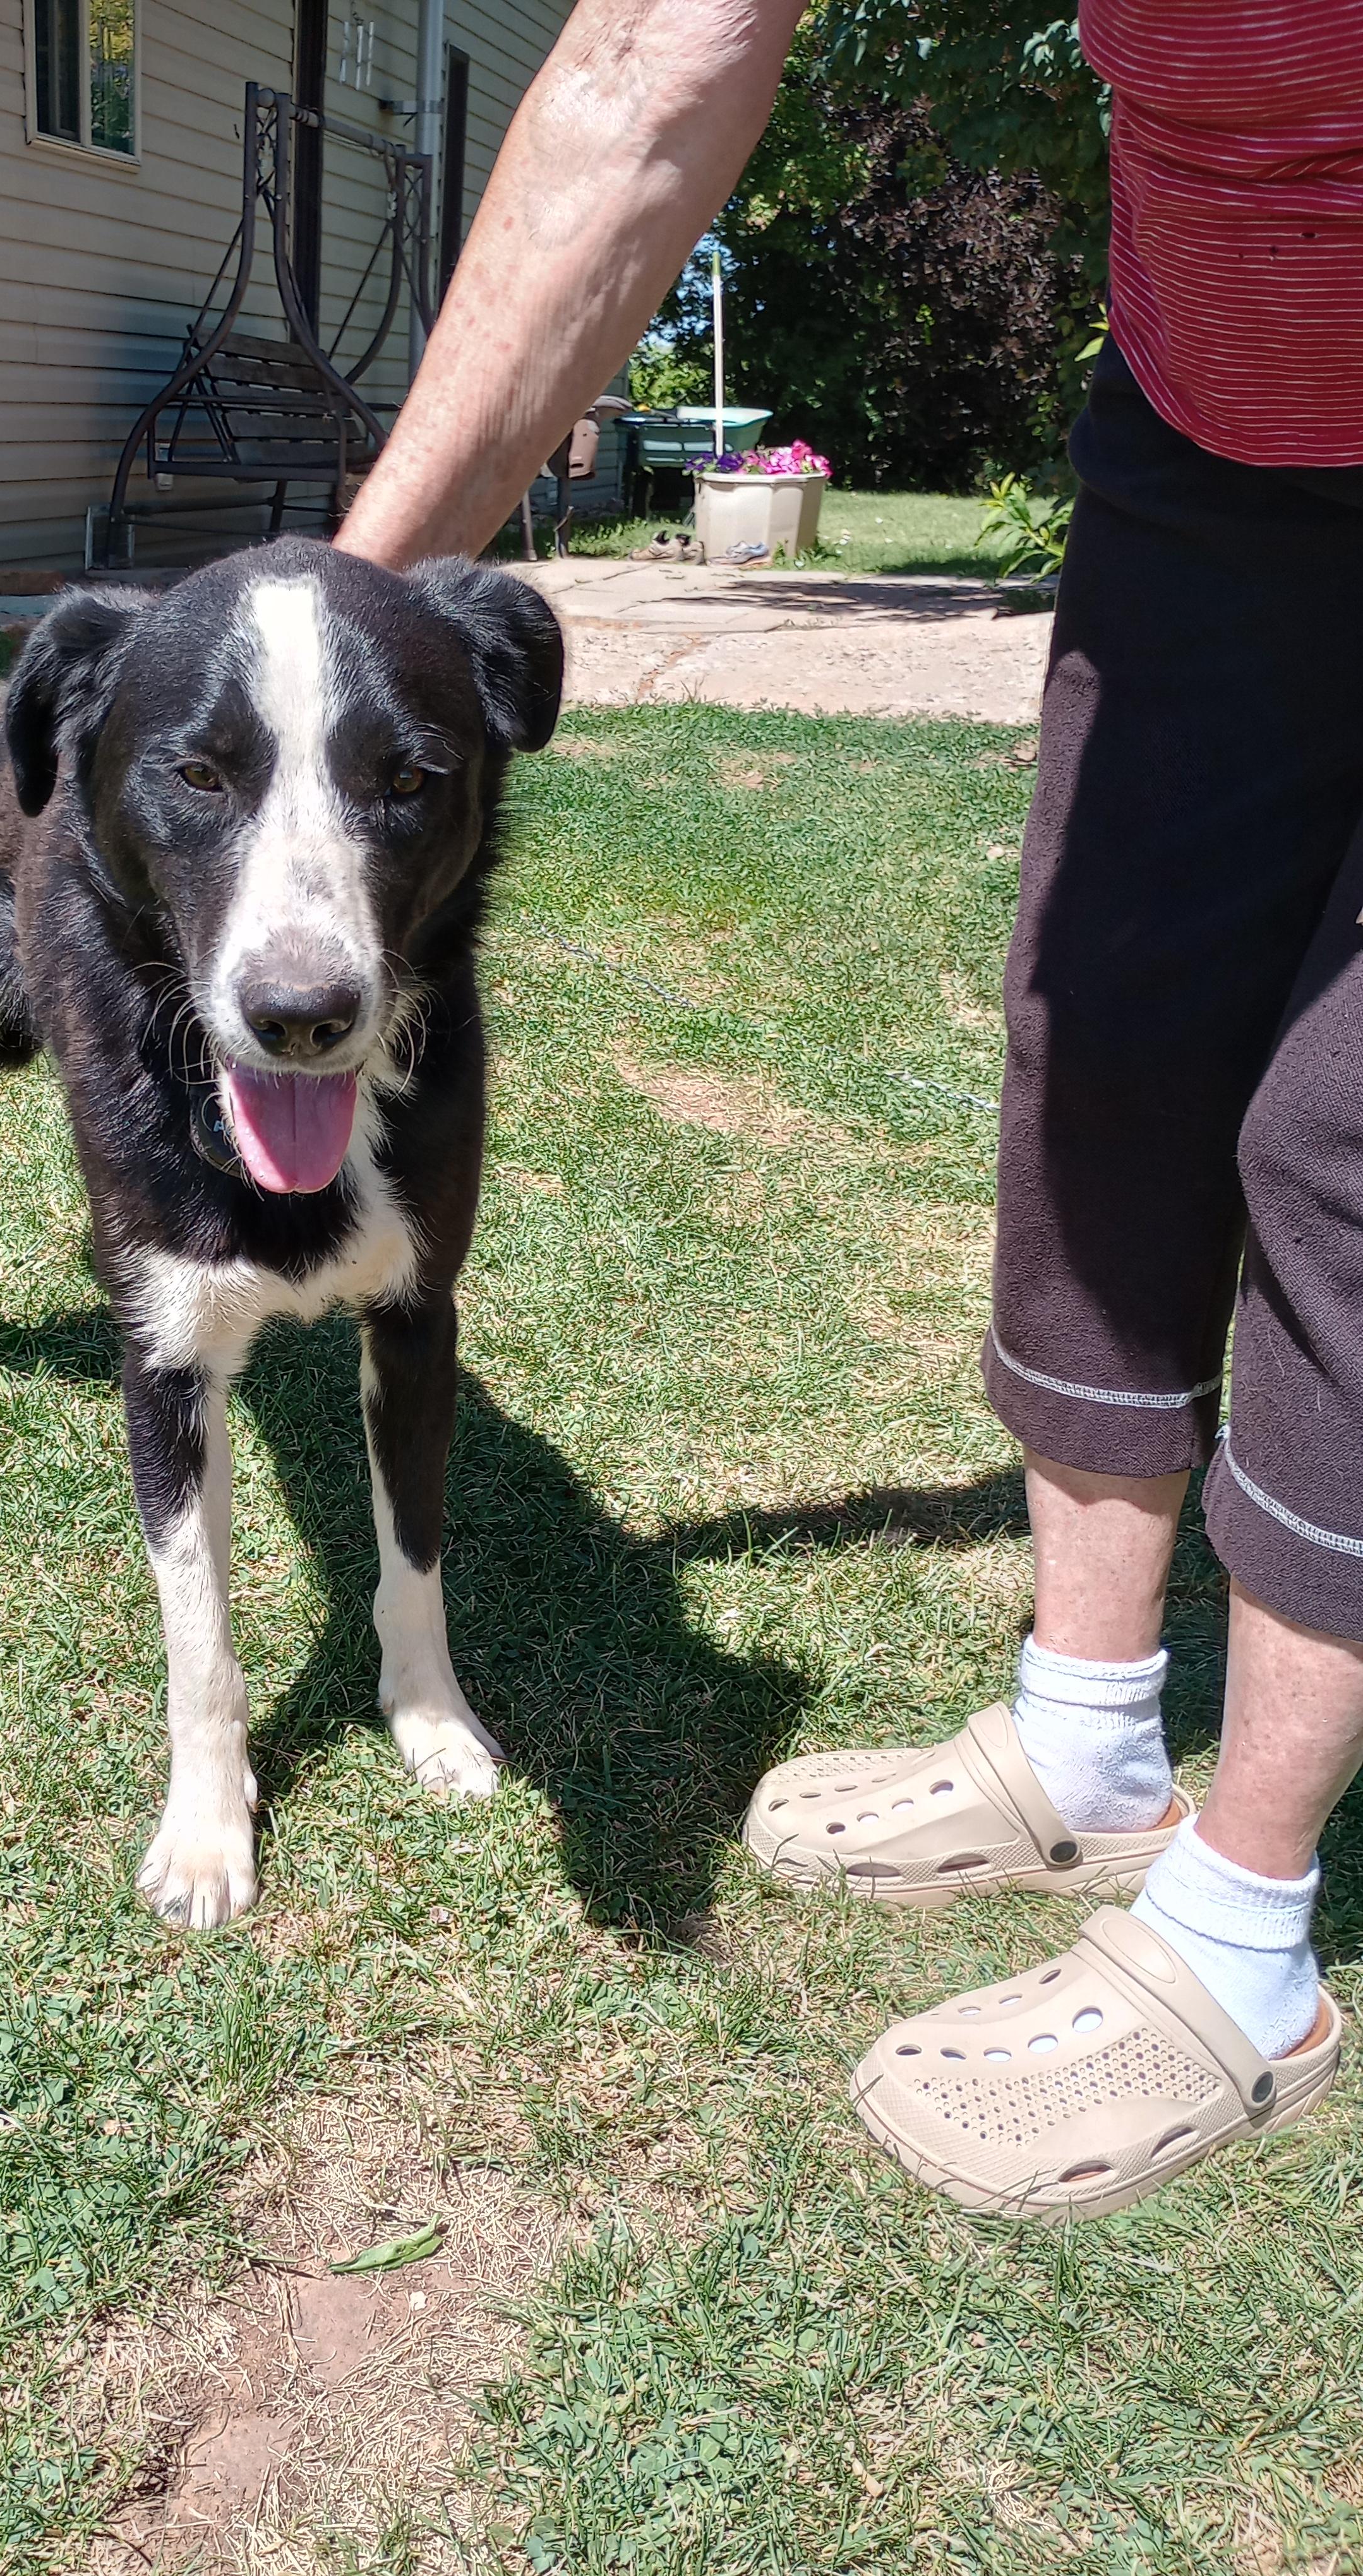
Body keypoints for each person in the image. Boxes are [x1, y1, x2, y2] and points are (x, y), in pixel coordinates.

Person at [337, 0, 1363, 2217]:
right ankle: (1092, 1742)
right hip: (1222, 405)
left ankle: (1248, 1940)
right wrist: (340, 617)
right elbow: (638, 74)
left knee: (1338, 1138)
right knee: (1108, 1032)